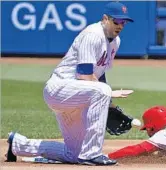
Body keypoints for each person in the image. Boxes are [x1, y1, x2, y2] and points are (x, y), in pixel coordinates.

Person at [6, 2, 134, 166]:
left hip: (76, 96)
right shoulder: (93, 35)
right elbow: (84, 75)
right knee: (103, 91)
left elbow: (99, 74)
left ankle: (18, 144)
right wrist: (108, 94)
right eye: (116, 21)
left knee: (73, 154)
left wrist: (109, 104)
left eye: (124, 22)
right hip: (59, 89)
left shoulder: (115, 42)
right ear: (105, 19)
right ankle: (92, 154)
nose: (120, 26)